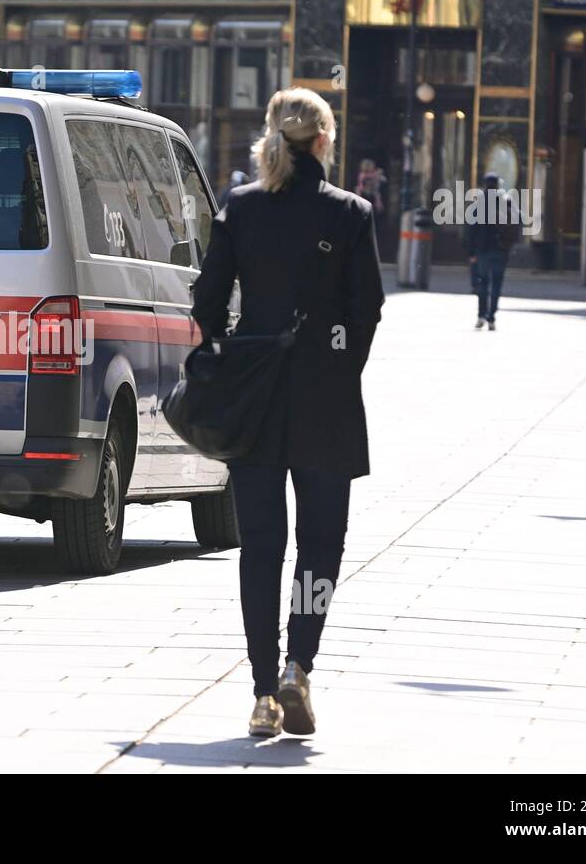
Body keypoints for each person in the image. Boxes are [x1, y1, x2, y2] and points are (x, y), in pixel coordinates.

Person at [191, 88, 385, 739]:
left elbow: (208, 300)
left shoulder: (241, 207)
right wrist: (338, 367)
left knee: (261, 547)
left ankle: (259, 690)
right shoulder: (351, 213)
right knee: (320, 548)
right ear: (325, 141)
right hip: (325, 401)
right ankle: (300, 663)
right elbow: (367, 312)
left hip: (256, 399)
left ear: (273, 137)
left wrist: (226, 355)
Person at [465, 172, 516, 331]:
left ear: (485, 185)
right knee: (496, 285)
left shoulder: (478, 204)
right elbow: (515, 225)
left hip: (482, 251)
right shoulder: (505, 202)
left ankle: (481, 316)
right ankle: (492, 317)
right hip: (501, 250)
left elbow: (470, 231)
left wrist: (471, 253)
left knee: (483, 283)